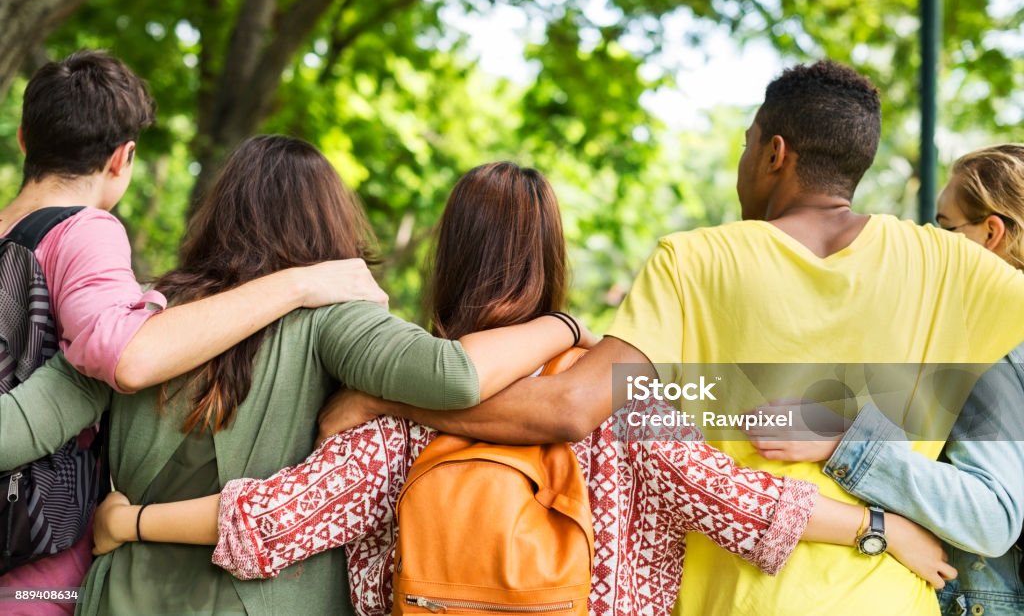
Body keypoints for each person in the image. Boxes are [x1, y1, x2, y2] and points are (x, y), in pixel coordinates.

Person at [314, 62, 1024, 615]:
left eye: (746, 145)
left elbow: (570, 409)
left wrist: (397, 402)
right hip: (887, 593)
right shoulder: (955, 266)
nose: (741, 163)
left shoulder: (697, 259)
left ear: (775, 153)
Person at [92, 161, 949, 615]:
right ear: (553, 259)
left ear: (448, 257)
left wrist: (129, 520)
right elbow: (742, 498)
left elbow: (271, 524)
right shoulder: (617, 396)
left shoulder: (391, 401)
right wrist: (882, 529)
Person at [0, 137, 596, 615]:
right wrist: (567, 325)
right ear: (329, 223)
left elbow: (15, 430)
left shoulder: (145, 320)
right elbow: (456, 374)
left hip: (123, 598)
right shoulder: (335, 322)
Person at [0, 51, 383, 615]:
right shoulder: (86, 230)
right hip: (37, 557)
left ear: (24, 139)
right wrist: (300, 284)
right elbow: (125, 355)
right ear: (123, 158)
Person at [749, 143, 1024, 616]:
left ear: (991, 234)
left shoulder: (991, 349)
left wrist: (844, 439)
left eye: (945, 226)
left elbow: (992, 517)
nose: (931, 241)